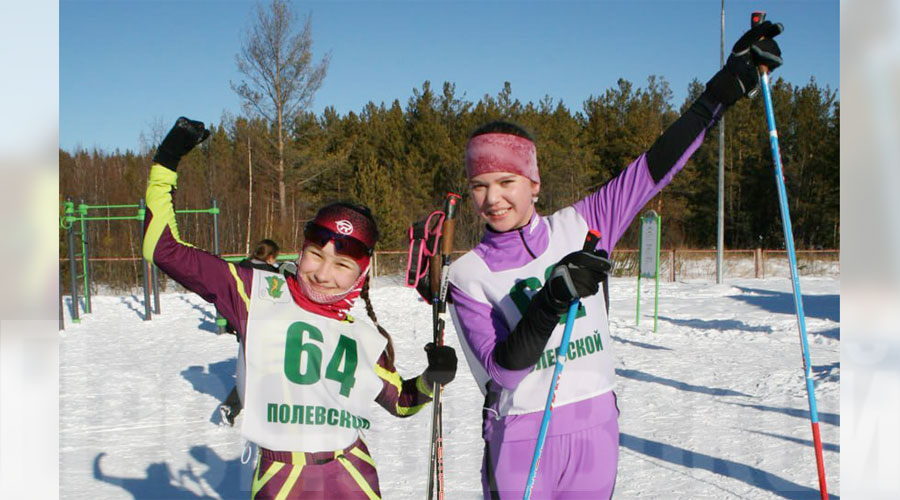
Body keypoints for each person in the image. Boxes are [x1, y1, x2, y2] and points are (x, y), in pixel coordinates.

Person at [447, 22, 784, 499]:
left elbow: (654, 166)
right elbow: (502, 371)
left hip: (596, 426)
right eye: (480, 185)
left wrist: (719, 94)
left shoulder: (582, 225)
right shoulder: (468, 274)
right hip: (523, 436)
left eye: (507, 182)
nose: (493, 198)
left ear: (534, 184)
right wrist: (552, 298)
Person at [143, 117, 458, 499]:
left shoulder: (363, 335)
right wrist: (166, 165)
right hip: (284, 477)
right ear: (302, 249)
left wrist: (432, 378)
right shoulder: (254, 291)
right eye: (314, 255)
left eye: (341, 266)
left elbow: (402, 403)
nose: (323, 274)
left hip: (353, 473)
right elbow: (164, 249)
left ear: (361, 273)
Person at [219, 238, 284, 427]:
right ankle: (233, 406)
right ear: (270, 257)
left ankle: (240, 406)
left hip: (244, 325)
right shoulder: (270, 274)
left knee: (254, 371)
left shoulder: (242, 268)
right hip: (263, 329)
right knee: (265, 371)